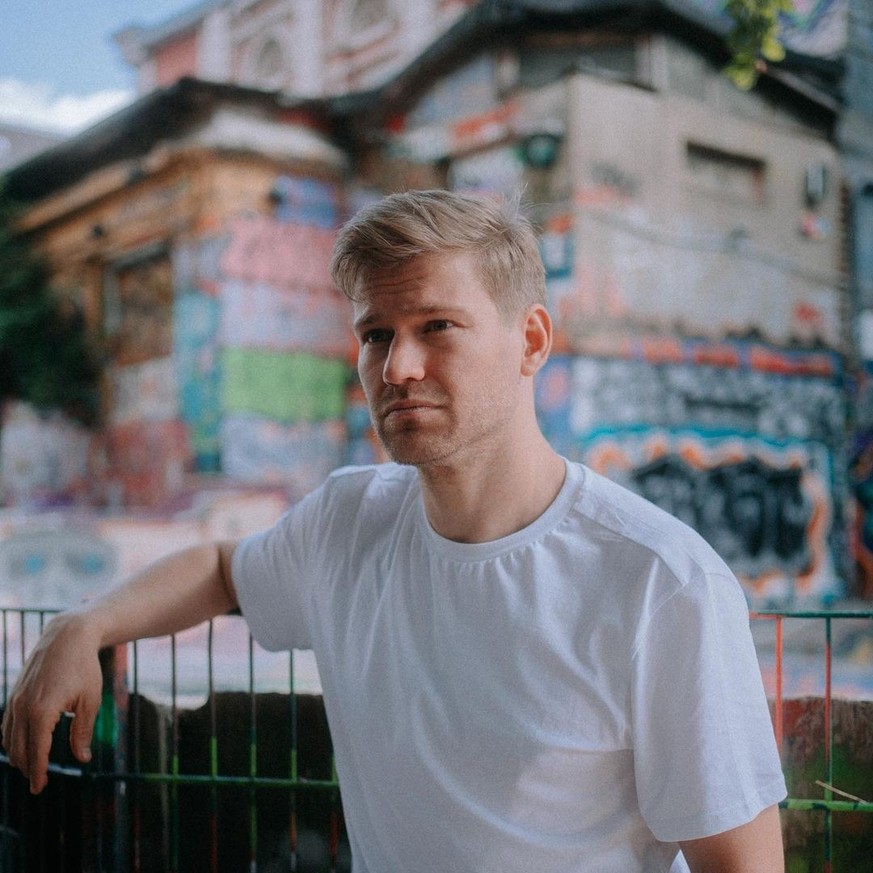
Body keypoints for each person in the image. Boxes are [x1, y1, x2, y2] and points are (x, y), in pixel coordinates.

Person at [2, 189, 786, 872]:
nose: (397, 366)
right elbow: (220, 568)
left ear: (532, 341)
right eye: (375, 334)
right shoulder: (348, 520)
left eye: (437, 325)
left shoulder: (658, 580)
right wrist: (87, 622)